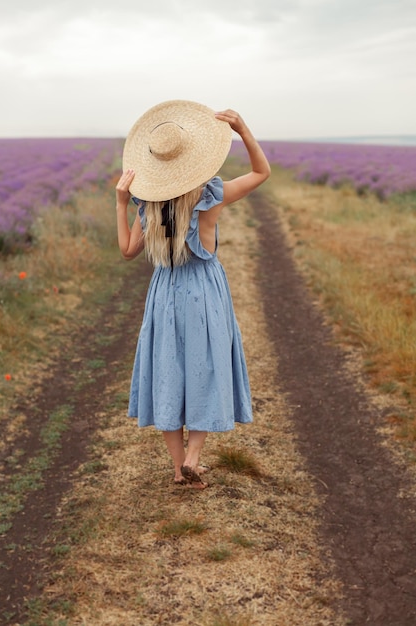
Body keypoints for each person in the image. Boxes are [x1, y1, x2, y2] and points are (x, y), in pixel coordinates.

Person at [116, 100, 270, 489]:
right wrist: (244, 131)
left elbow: (127, 251)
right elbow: (261, 172)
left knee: (168, 368)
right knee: (206, 364)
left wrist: (121, 203)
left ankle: (176, 468)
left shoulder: (147, 205)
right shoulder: (210, 196)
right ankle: (195, 457)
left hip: (164, 291)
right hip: (203, 288)